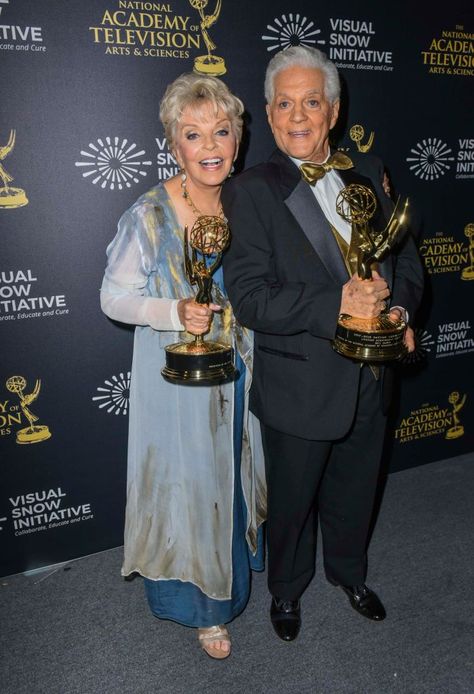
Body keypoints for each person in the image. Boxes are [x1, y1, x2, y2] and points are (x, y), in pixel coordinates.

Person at [222, 46, 424, 642]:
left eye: (312, 101)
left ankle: (349, 574)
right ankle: (285, 590)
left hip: (371, 373)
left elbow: (406, 261)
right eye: (285, 103)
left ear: (333, 111)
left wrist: (399, 310)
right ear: (268, 111)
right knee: (293, 500)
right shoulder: (253, 190)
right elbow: (251, 298)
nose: (299, 115)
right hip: (300, 381)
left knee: (357, 487)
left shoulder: (369, 171)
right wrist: (335, 304)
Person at [100, 73, 265, 659]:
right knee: (190, 487)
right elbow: (112, 298)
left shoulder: (247, 204)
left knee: (230, 475)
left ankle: (235, 574)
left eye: (222, 131)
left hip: (239, 370)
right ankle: (204, 611)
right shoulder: (148, 214)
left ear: (238, 140)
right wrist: (173, 310)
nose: (211, 145)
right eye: (194, 135)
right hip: (177, 380)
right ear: (175, 145)